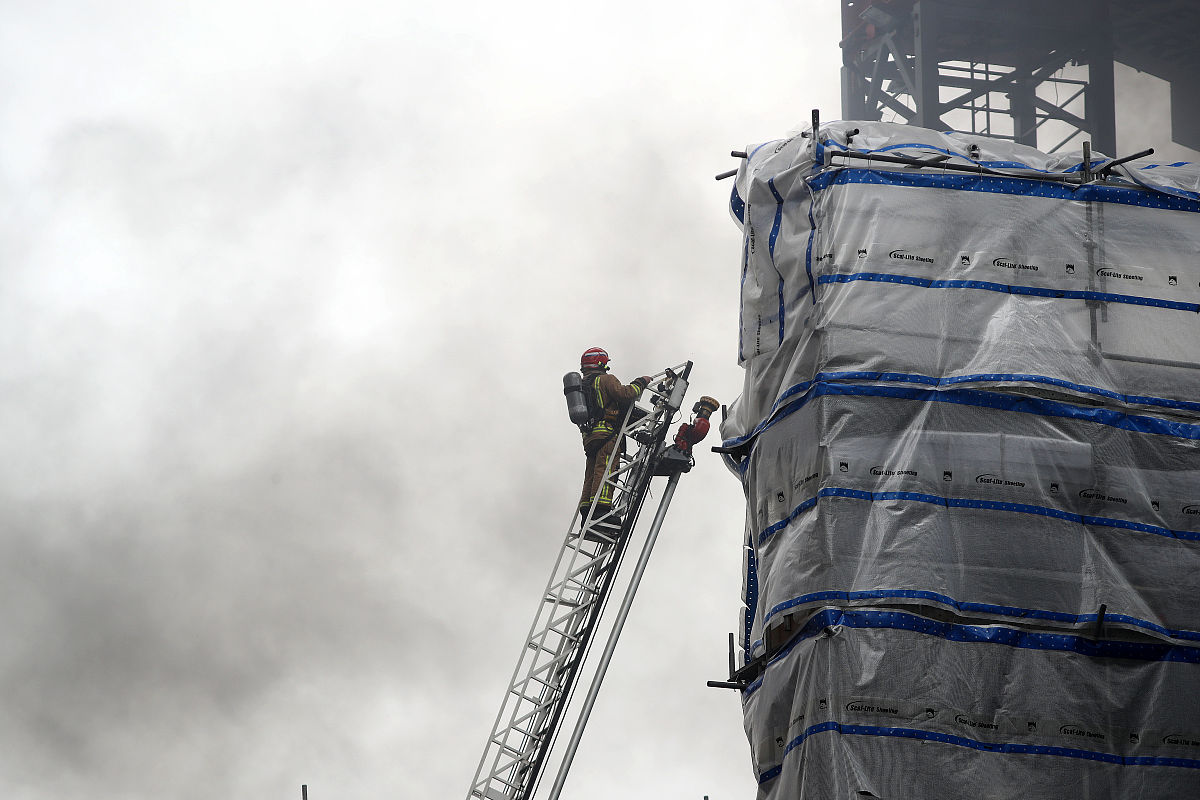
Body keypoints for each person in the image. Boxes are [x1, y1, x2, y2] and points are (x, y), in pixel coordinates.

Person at [577, 347, 650, 525]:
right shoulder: (606, 379)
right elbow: (626, 394)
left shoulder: (581, 385)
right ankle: (600, 512)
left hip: (589, 437)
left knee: (592, 473)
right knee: (606, 470)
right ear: (601, 363)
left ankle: (587, 511)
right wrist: (641, 382)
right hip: (607, 433)